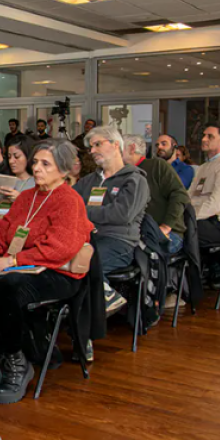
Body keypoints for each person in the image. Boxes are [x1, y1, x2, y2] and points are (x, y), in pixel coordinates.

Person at [0, 140, 92, 403]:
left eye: (45, 164)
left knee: (7, 288)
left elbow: (60, 248)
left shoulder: (69, 200)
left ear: (62, 170)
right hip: (22, 265)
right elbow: (1, 230)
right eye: (36, 162)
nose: (36, 168)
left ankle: (17, 361)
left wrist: (11, 261)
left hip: (59, 272)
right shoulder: (27, 197)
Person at [73, 126, 150, 312]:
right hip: (88, 239)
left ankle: (102, 304)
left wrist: (83, 211)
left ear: (116, 145)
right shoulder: (88, 181)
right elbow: (69, 205)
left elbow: (121, 215)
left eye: (97, 144)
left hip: (119, 242)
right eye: (91, 147)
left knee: (85, 264)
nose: (92, 151)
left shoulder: (135, 180)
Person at [123, 134, 189, 255]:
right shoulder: (122, 173)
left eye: (119, 149)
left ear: (132, 149)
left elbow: (180, 195)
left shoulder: (157, 166)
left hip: (166, 234)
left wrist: (166, 227)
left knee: (125, 252)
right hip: (134, 234)